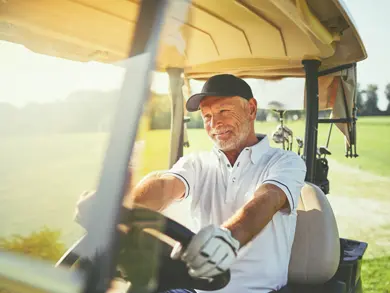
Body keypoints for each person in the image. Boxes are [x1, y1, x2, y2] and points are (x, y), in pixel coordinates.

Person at [75, 74, 307, 293]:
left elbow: (268, 199)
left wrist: (227, 238)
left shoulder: (285, 161)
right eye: (207, 116)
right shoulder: (197, 163)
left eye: (223, 111)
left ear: (252, 109)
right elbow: (166, 186)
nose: (214, 123)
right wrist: (117, 207)